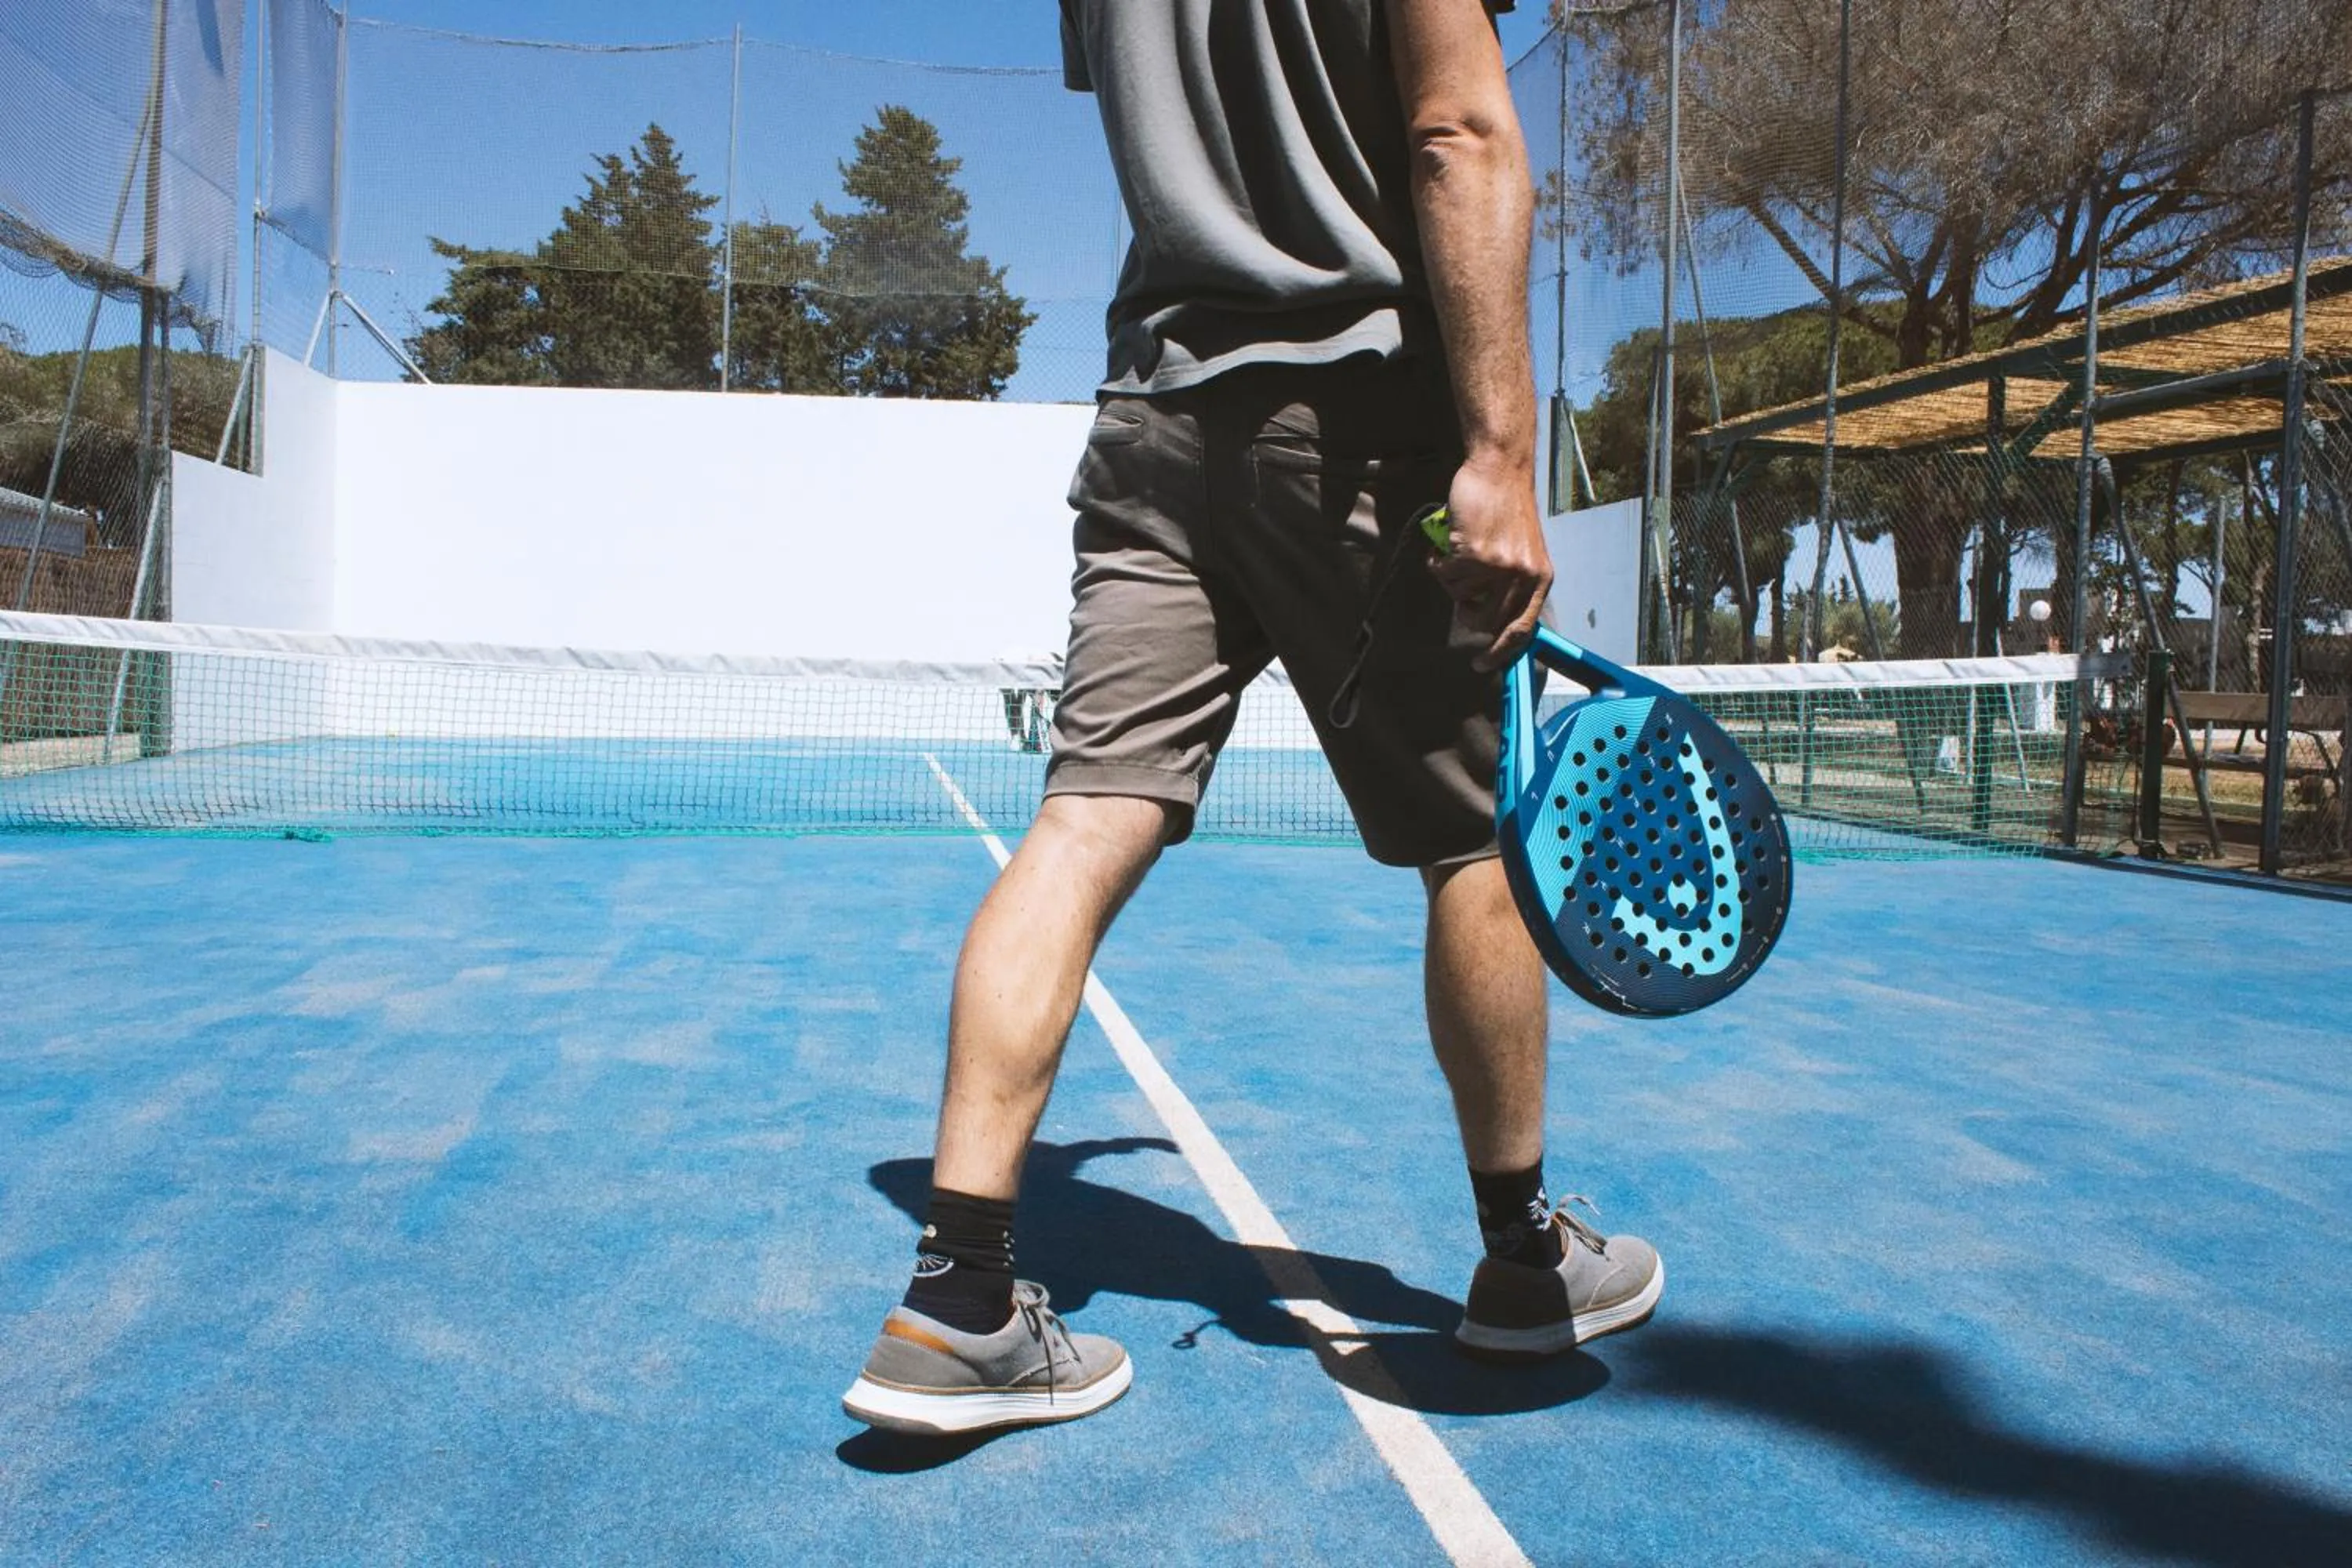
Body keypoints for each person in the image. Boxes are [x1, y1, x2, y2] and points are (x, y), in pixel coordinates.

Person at [842, 0, 1663, 1437]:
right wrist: (1498, 449)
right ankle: (1525, 1261)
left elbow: (1178, 125)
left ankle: (958, 1295)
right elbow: (1458, 130)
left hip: (1156, 419)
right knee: (1475, 844)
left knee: (1084, 818)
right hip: (1361, 426)